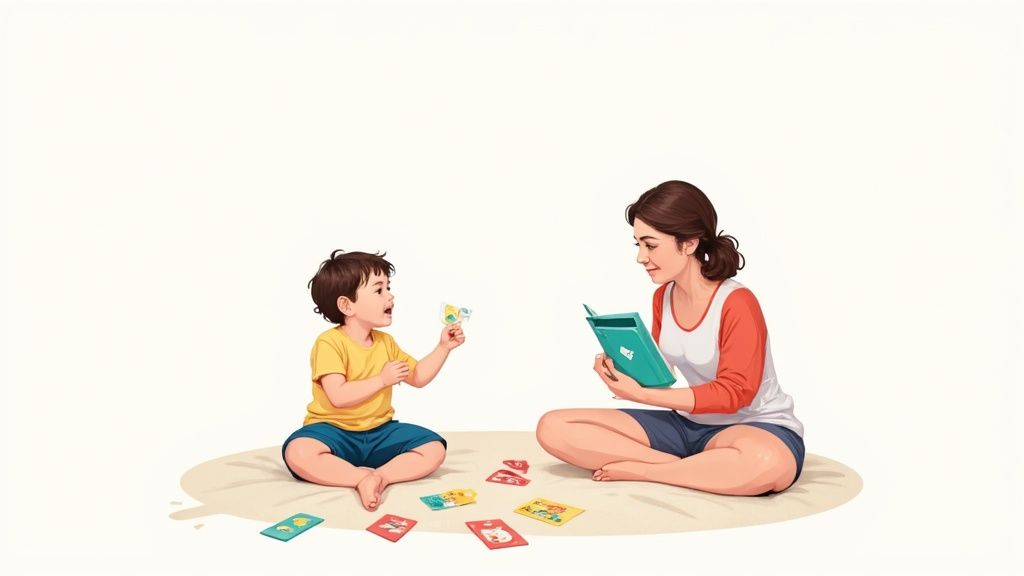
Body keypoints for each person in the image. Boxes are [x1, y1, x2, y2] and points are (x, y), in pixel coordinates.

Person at [536, 181, 804, 496]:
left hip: (754, 428)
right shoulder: (664, 295)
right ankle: (691, 469)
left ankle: (649, 471)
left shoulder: (737, 302)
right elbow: (660, 378)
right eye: (637, 244)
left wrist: (642, 396)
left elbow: (735, 393)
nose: (640, 257)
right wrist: (622, 368)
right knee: (553, 427)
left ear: (688, 243)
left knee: (766, 462)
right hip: (686, 426)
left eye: (650, 245)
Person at [283, 250, 465, 510]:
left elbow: (419, 377)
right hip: (332, 431)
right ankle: (359, 477)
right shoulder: (329, 343)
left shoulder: (386, 343)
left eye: (388, 288)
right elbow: (338, 396)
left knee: (434, 448)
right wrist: (381, 380)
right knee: (299, 452)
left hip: (379, 431)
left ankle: (380, 477)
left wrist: (443, 347)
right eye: (379, 290)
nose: (390, 296)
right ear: (346, 305)